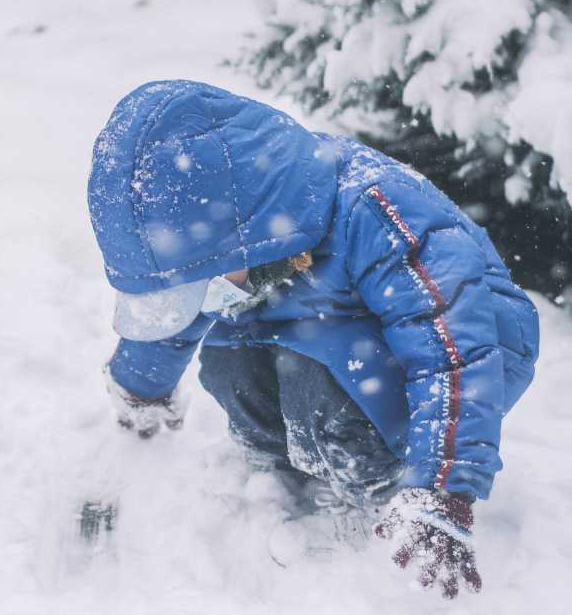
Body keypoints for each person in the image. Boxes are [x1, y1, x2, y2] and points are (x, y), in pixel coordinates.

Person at [88, 80, 538, 599]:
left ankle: (372, 483)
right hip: (333, 330)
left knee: (313, 370)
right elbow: (180, 313)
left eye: (202, 274)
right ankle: (277, 464)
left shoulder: (377, 210)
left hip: (476, 345)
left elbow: (452, 348)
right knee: (228, 348)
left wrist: (441, 487)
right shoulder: (241, 241)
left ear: (244, 228)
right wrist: (140, 391)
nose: (197, 292)